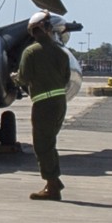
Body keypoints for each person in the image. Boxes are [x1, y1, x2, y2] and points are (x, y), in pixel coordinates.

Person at [13, 12, 76, 201]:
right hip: (59, 102)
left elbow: (23, 78)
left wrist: (14, 78)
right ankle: (53, 181)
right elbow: (66, 78)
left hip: (43, 104)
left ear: (33, 31)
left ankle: (52, 185)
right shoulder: (61, 52)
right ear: (48, 29)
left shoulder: (31, 52)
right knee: (49, 142)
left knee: (42, 145)